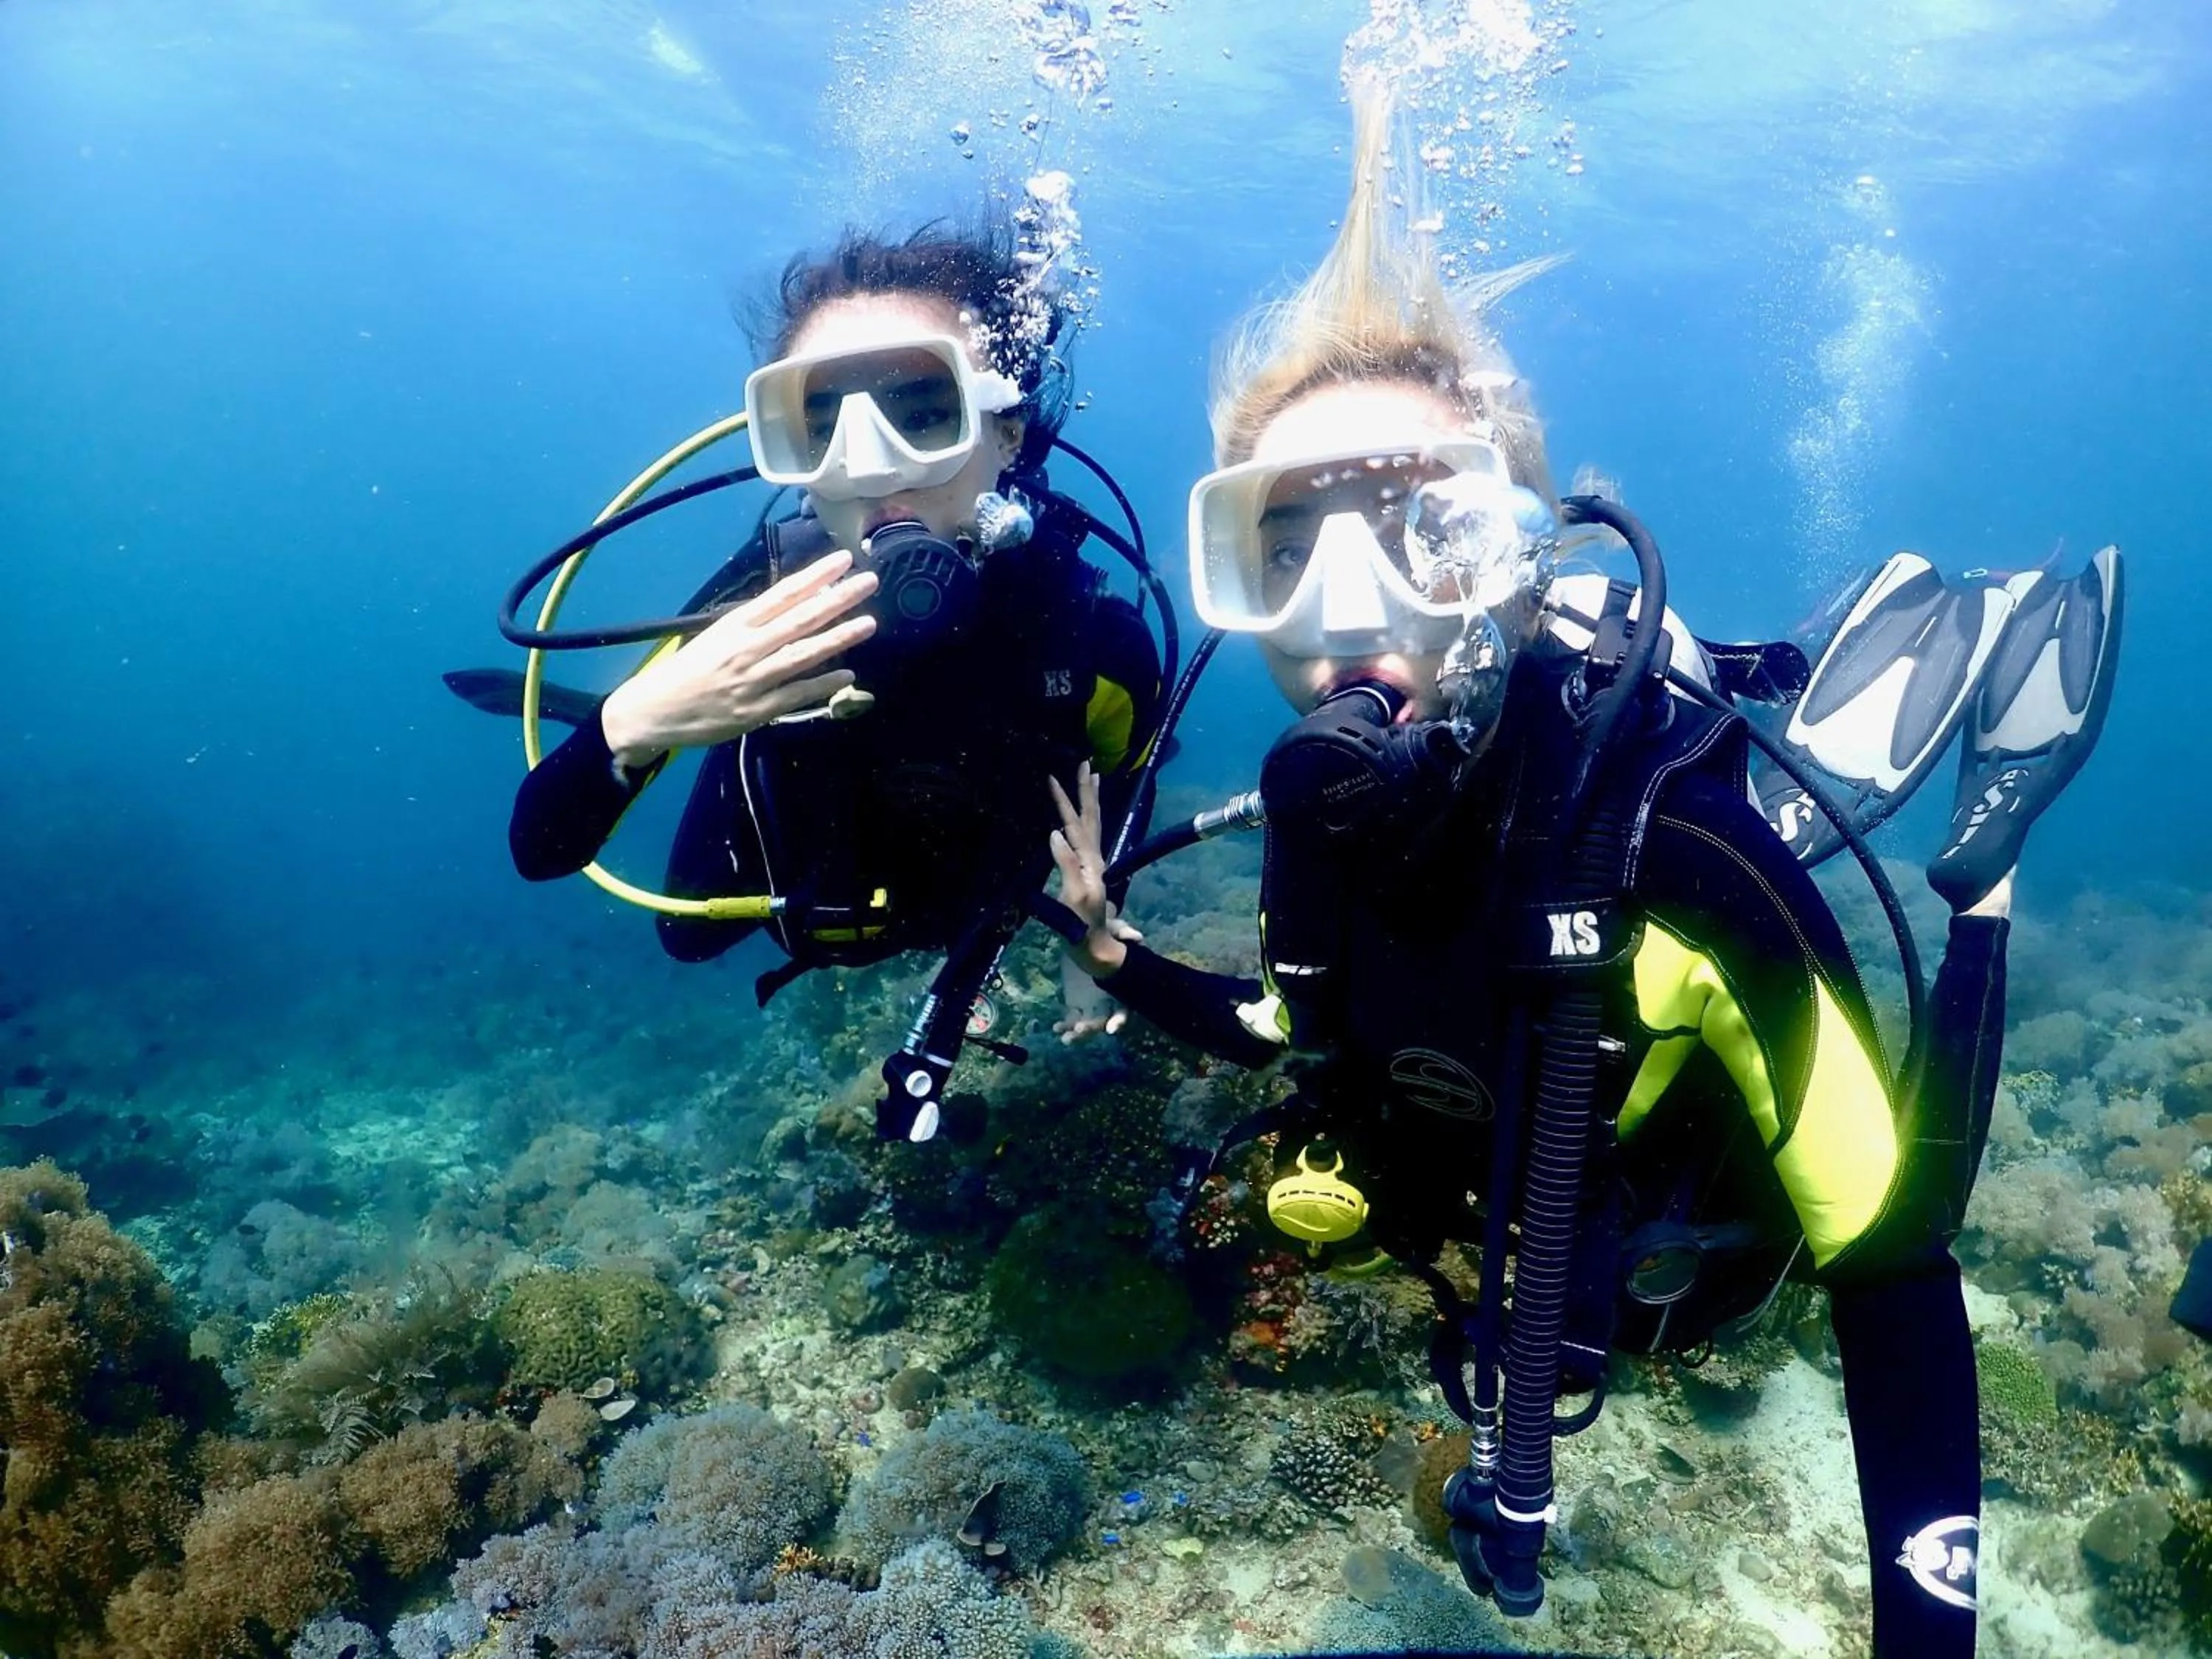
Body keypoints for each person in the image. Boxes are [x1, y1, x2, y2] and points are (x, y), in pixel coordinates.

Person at [1045, 87, 2121, 1659]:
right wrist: (1115, 957)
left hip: (1700, 1249)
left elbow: (1891, 1271)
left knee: (1909, 1157)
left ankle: (1987, 871)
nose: (1350, 614)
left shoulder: (1677, 862)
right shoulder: (1321, 820)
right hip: (1541, 1201)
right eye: (1282, 550)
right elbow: (1301, 1025)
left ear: (1522, 558)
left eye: (1427, 531)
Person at [505, 221, 1163, 1136]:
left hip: (983, 885)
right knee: (686, 933)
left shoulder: (1088, 636)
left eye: (922, 408)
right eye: (823, 424)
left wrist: (1086, 944)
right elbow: (541, 848)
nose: (868, 461)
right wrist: (637, 721)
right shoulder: (757, 604)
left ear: (1005, 430)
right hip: (806, 884)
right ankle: (723, 741)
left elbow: (1126, 779)